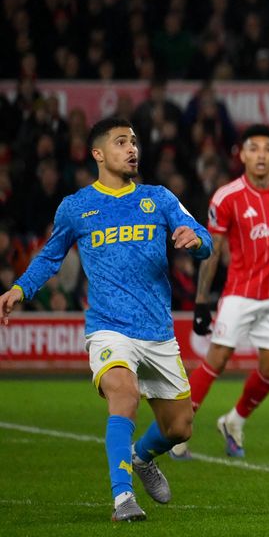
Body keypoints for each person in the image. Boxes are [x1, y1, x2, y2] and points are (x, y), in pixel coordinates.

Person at [0, 117, 212, 522]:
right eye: (120, 142)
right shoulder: (77, 206)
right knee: (124, 394)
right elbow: (49, 256)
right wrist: (19, 289)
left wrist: (196, 241)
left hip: (157, 330)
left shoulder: (160, 198)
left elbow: (204, 238)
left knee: (181, 428)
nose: (132, 148)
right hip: (108, 327)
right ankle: (123, 499)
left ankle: (141, 457)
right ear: (98, 154)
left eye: (133, 141)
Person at [171, 124, 269, 460]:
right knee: (218, 359)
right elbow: (212, 251)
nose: (261, 155)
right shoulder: (227, 197)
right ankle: (179, 431)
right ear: (242, 155)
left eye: (267, 148)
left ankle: (234, 421)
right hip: (240, 292)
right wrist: (200, 302)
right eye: (253, 149)